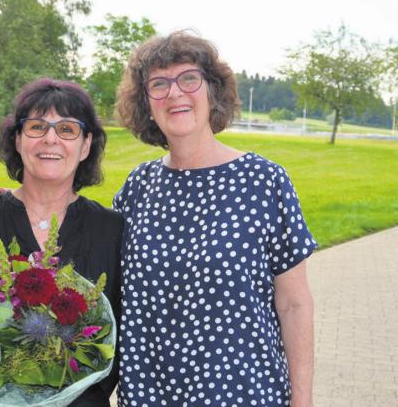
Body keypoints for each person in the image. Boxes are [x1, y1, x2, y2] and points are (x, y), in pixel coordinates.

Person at [113, 31, 316, 407]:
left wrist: (302, 400)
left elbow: (295, 305)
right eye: (159, 84)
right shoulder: (137, 187)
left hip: (245, 394)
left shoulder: (264, 181)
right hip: (150, 396)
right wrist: (17, 206)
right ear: (146, 103)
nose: (175, 93)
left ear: (211, 90)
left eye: (188, 78)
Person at [0, 78, 123, 406]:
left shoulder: (112, 229)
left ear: (85, 145)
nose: (50, 138)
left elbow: (117, 343)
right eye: (37, 126)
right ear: (18, 139)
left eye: (67, 129)